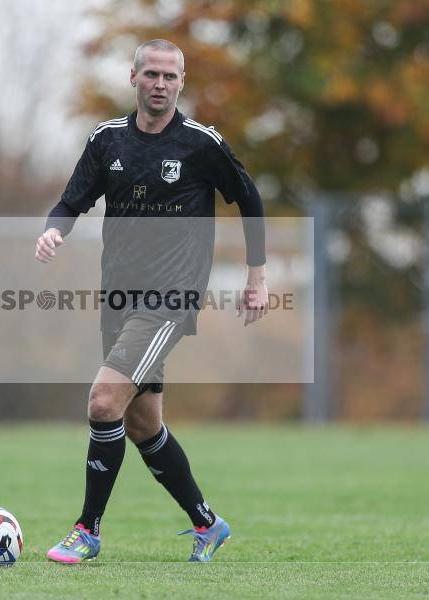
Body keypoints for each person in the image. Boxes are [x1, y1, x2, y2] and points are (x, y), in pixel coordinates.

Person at [35, 39, 267, 564]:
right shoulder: (107, 140)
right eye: (151, 75)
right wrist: (53, 231)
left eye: (170, 76)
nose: (160, 84)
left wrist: (258, 275)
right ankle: (208, 524)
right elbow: (72, 199)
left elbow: (249, 198)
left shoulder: (201, 144)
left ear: (182, 82)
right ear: (133, 78)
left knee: (102, 402)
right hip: (118, 295)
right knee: (141, 424)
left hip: (170, 299)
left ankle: (87, 531)